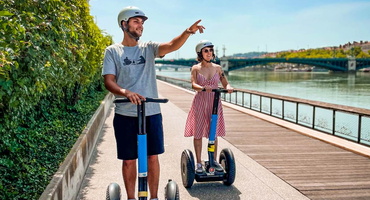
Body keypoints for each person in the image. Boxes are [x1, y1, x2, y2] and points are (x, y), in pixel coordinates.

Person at [102, 6, 205, 200]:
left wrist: (187, 33)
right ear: (124, 24)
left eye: (142, 22)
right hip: (125, 113)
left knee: (152, 157)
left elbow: (172, 45)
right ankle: (131, 198)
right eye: (136, 21)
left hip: (151, 112)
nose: (140, 25)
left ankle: (154, 197)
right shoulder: (113, 51)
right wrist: (126, 92)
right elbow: (109, 81)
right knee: (129, 161)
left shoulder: (148, 47)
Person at [184, 40, 233, 173]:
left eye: (211, 50)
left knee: (213, 133)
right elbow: (193, 84)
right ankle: (198, 163)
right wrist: (203, 88)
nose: (209, 53)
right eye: (206, 51)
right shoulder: (195, 68)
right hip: (200, 101)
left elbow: (224, 81)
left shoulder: (217, 68)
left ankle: (213, 160)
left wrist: (228, 87)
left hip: (214, 102)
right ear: (200, 53)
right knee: (198, 132)